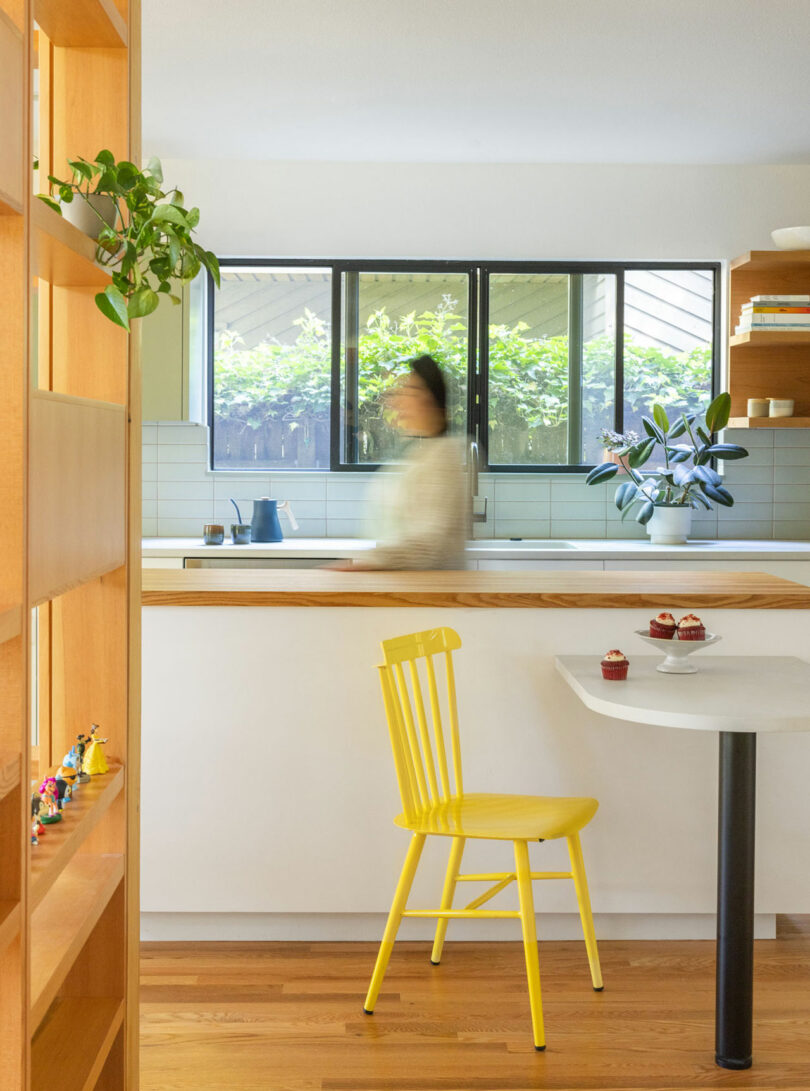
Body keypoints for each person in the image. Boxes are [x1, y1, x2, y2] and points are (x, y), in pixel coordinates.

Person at [335, 355, 468, 570]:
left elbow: (428, 543)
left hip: (429, 592)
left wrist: (369, 563)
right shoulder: (418, 451)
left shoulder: (443, 456)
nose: (399, 399)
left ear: (431, 400)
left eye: (411, 391)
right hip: (406, 588)